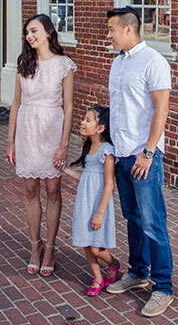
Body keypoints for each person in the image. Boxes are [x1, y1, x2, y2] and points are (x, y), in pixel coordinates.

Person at [104, 6, 174, 317]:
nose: (109, 35)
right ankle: (138, 271)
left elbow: (161, 110)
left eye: (112, 30)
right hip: (121, 154)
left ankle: (163, 286)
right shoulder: (117, 64)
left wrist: (147, 153)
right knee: (132, 217)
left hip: (144, 156)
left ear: (129, 30)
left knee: (153, 222)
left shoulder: (154, 62)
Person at [6, 13, 76, 277]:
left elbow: (69, 109)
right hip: (27, 130)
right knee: (30, 191)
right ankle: (34, 246)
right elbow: (15, 104)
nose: (29, 36)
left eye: (34, 31)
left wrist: (64, 144)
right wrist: (10, 141)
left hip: (52, 130)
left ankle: (51, 248)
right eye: (26, 33)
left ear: (48, 31)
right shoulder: (24, 63)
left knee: (54, 191)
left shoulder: (63, 65)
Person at [62, 106, 120, 296]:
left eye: (88, 120)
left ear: (100, 128)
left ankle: (113, 263)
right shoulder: (88, 148)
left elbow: (109, 184)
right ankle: (97, 278)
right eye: (83, 119)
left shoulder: (107, 151)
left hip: (98, 203)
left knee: (96, 248)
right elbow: (85, 177)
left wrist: (100, 213)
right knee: (87, 242)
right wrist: (64, 170)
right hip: (84, 200)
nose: (83, 123)